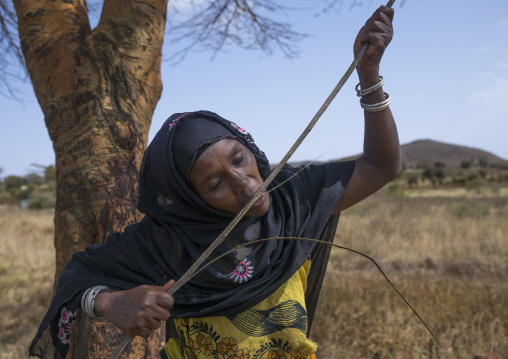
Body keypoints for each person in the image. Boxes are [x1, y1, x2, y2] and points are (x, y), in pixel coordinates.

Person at [29, 5, 398, 359]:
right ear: (189, 200)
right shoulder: (166, 241)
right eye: (214, 184)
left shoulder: (291, 196)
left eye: (239, 159)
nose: (243, 182)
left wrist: (368, 74)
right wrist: (108, 302)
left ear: (249, 145)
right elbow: (76, 274)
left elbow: (381, 166)